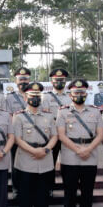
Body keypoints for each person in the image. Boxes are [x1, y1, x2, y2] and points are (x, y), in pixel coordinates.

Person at [56, 78, 103, 207]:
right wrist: (78, 150)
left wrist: (88, 149)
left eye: (82, 92)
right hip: (70, 156)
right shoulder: (63, 112)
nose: (79, 95)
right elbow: (61, 136)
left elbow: (100, 135)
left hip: (90, 156)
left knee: (87, 191)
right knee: (70, 191)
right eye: (76, 92)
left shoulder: (95, 111)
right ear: (70, 95)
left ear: (86, 93)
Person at [12, 82, 57, 207]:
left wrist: (45, 149)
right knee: (25, 194)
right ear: (25, 97)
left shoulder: (49, 116)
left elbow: (54, 136)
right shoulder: (18, 117)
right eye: (32, 96)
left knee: (43, 194)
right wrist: (34, 151)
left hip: (44, 159)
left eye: (38, 96)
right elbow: (17, 139)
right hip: (26, 159)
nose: (35, 99)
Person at [41, 68, 72, 196]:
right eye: (56, 80)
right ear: (52, 81)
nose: (59, 82)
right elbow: (46, 116)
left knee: (68, 163)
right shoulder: (46, 96)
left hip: (67, 134)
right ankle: (49, 188)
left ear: (65, 81)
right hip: (52, 135)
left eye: (61, 80)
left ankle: (69, 188)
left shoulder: (71, 96)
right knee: (50, 163)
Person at [6, 67, 31, 199]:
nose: (23, 82)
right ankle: (16, 189)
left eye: (25, 79)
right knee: (16, 163)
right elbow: (9, 116)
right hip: (17, 136)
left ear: (30, 80)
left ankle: (30, 189)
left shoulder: (36, 94)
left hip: (33, 135)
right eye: (20, 79)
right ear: (15, 81)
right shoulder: (10, 98)